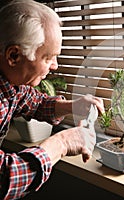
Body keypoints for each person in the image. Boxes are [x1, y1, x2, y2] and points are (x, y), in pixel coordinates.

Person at [0, 1, 104, 199]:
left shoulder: (9, 85)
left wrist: (73, 106)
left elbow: (34, 102)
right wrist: (62, 143)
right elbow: (5, 178)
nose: (55, 66)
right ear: (14, 56)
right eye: (48, 58)